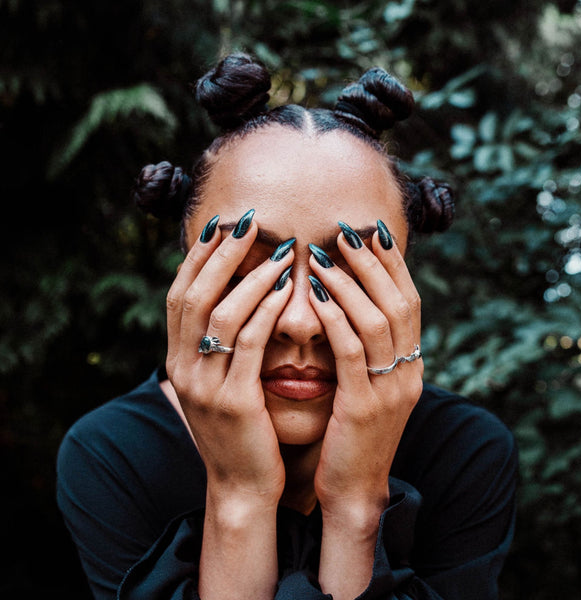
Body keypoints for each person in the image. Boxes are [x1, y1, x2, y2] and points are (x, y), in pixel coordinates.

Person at [56, 53, 518, 600]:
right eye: (250, 268)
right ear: (188, 273)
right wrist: (238, 497)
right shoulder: (113, 454)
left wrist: (356, 508)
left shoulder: (464, 453)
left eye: (348, 271)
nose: (300, 321)